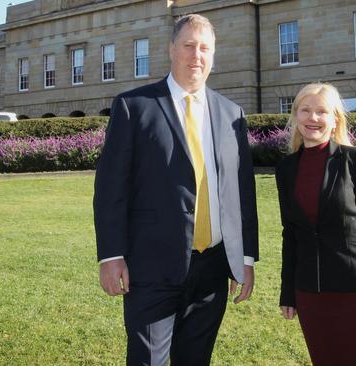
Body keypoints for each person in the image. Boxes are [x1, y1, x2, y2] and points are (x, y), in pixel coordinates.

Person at [93, 14, 258, 365]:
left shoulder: (232, 114)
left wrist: (244, 259)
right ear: (171, 49)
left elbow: (242, 192)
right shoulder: (134, 106)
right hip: (151, 265)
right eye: (188, 46)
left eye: (205, 48)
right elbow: (110, 187)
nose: (196, 55)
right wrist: (111, 255)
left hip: (213, 269)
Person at [275, 83, 356, 366]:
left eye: (321, 111)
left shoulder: (354, 160)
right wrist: (288, 290)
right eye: (305, 110)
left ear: (335, 118)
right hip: (311, 293)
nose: (313, 118)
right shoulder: (286, 169)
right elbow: (291, 234)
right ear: (295, 116)